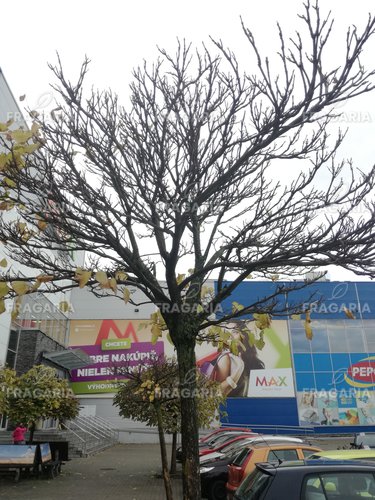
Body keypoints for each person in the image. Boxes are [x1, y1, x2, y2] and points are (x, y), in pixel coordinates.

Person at [198, 322, 265, 397]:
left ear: (244, 335)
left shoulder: (255, 363)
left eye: (235, 332)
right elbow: (217, 395)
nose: (230, 336)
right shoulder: (225, 359)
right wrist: (237, 372)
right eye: (226, 333)